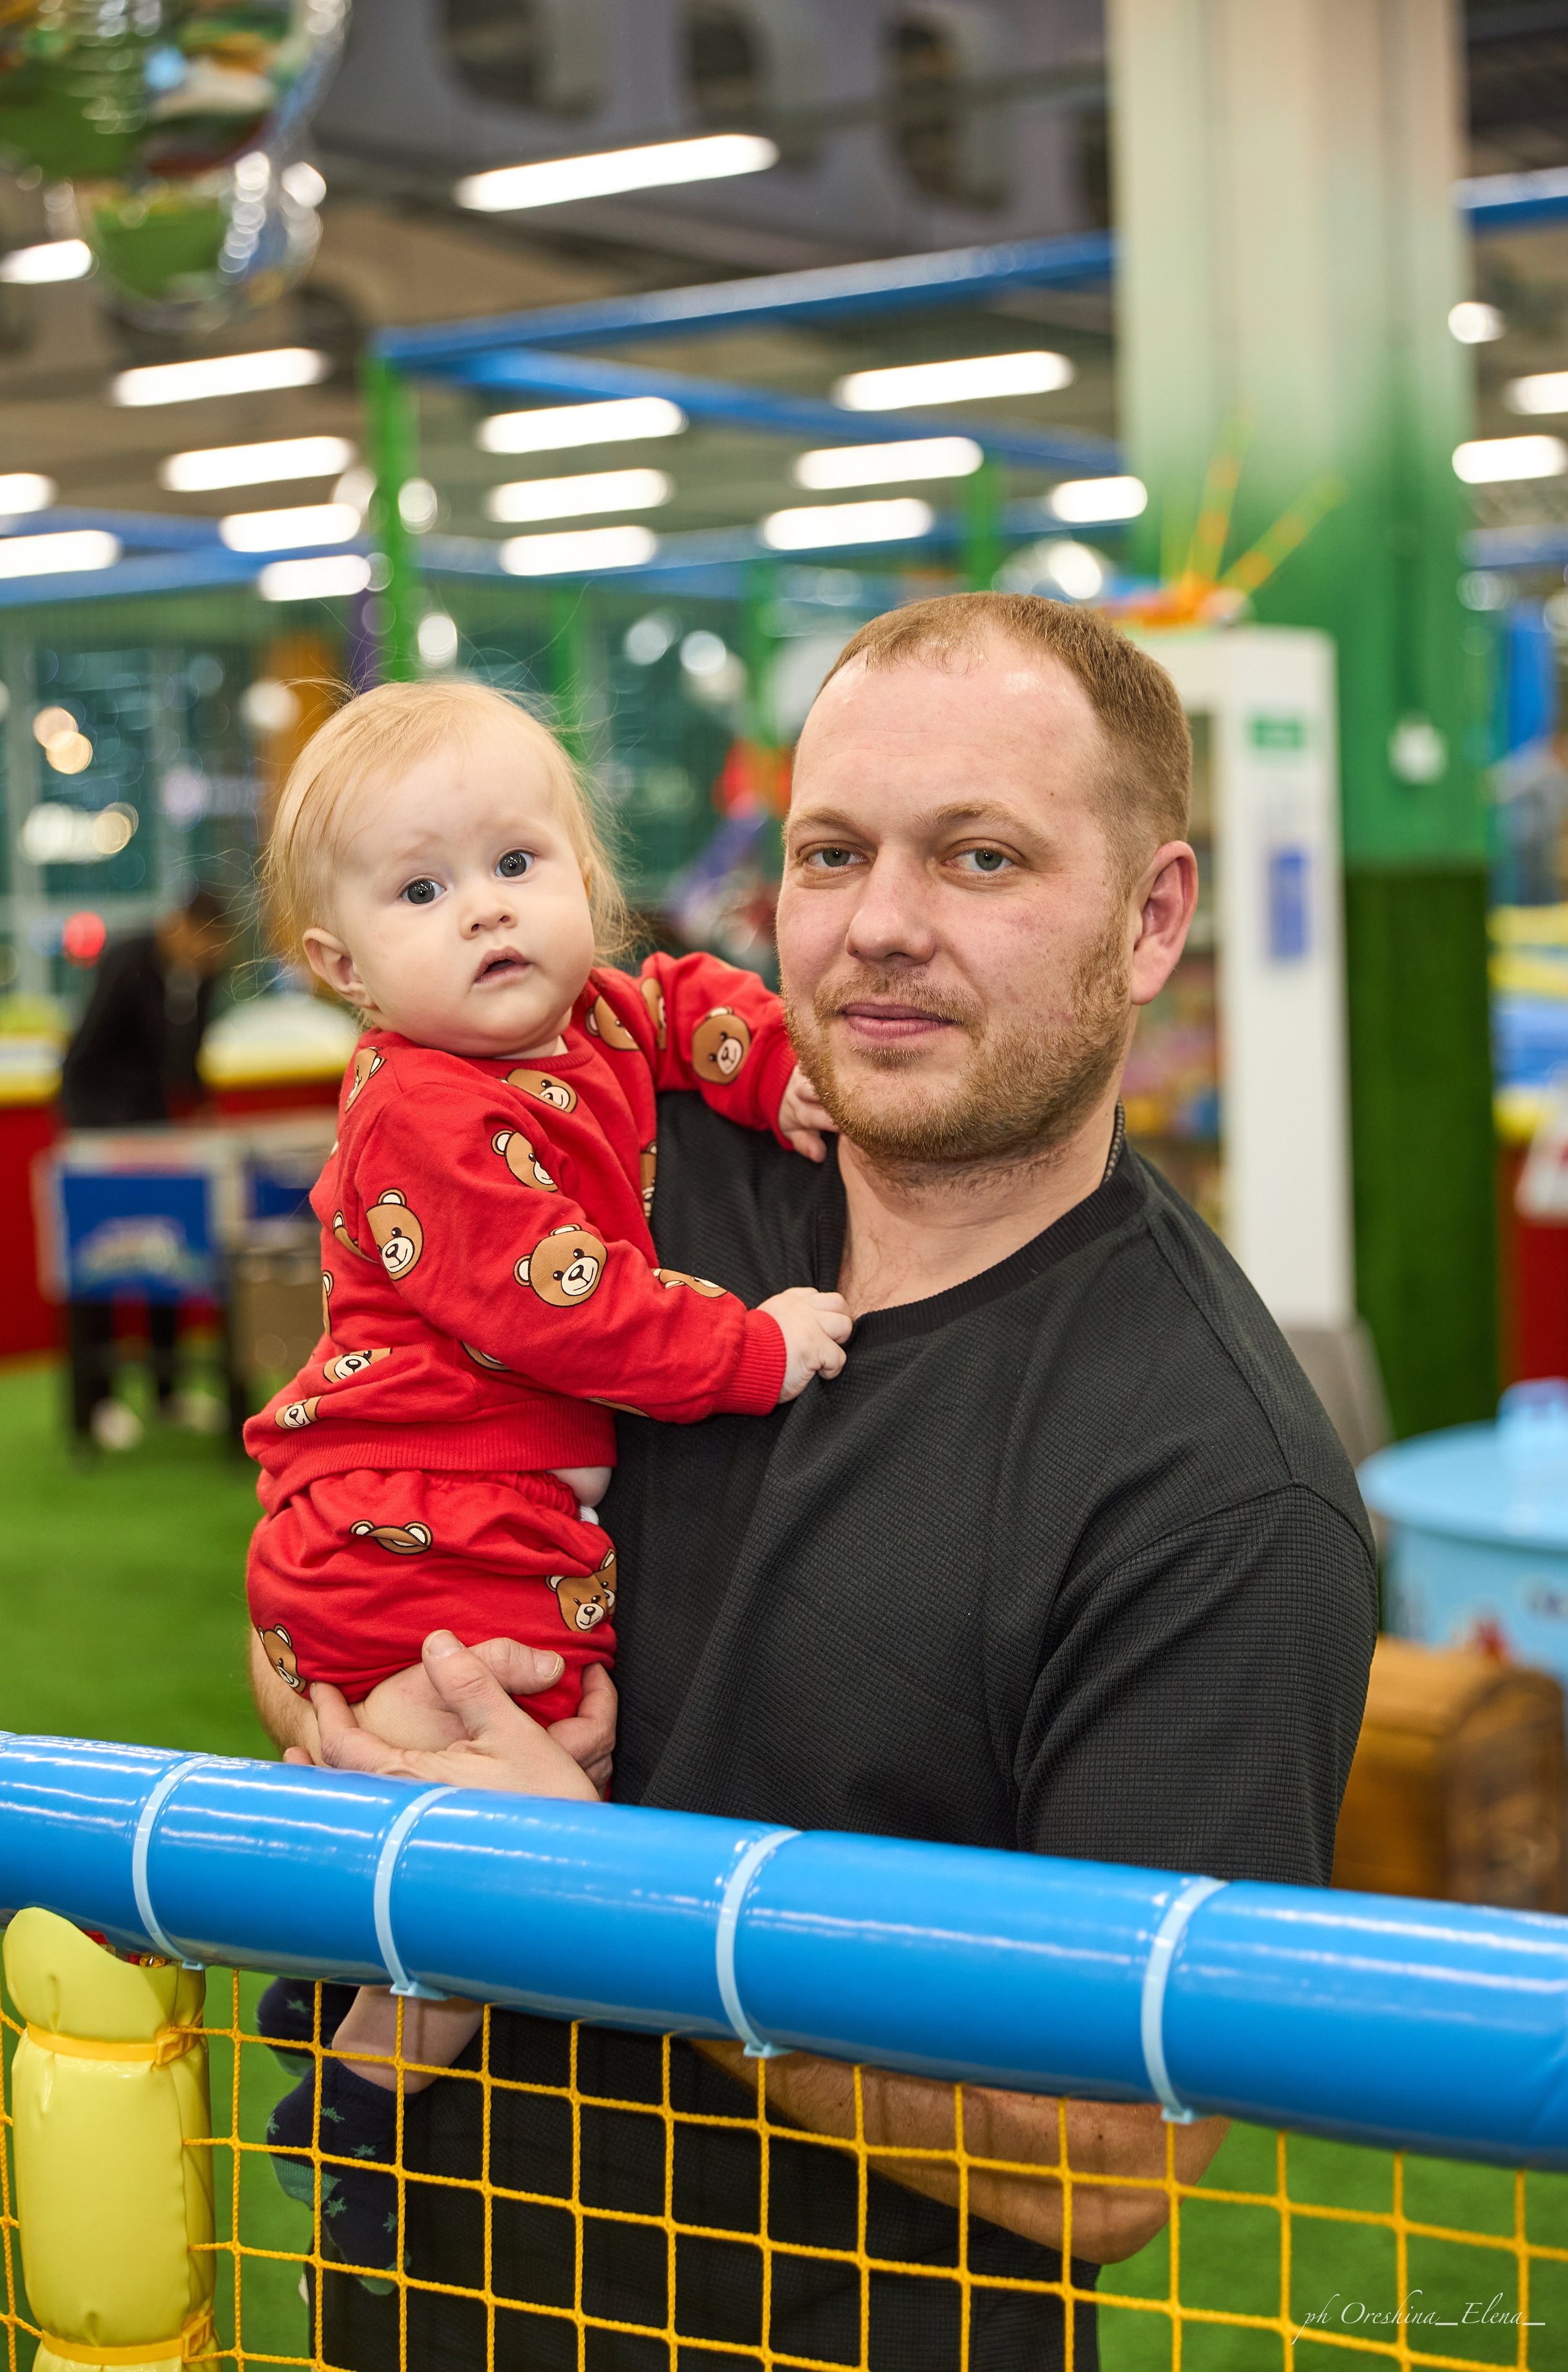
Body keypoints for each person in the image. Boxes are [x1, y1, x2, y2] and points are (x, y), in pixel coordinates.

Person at [250, 592, 1378, 2372]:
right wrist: (344, 1687)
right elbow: (342, 1519)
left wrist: (590, 1890)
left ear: (1152, 917)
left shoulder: (1215, 1486)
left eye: (981, 857)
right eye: (832, 853)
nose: (879, 926)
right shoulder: (618, 1160)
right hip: (417, 2298)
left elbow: (1109, 2155)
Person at [245, 678, 850, 2266]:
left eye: (518, 863)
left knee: (477, 1755)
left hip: (456, 1513)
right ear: (342, 968)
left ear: (584, 874)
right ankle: (361, 2090)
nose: (486, 912)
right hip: (415, 1522)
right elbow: (563, 1302)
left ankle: (324, 1976)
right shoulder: (423, 1114)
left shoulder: (592, 1022)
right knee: (528, 1813)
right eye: (420, 891)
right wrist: (751, 1344)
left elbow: (684, 1002)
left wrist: (768, 1060)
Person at [59, 885, 233, 1448]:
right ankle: (99, 1402)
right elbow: (84, 1058)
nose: (212, 957)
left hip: (158, 1132)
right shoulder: (127, 960)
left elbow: (188, 1060)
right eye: (207, 943)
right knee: (100, 1262)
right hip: (99, 1133)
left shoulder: (205, 975)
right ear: (181, 927)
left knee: (168, 1254)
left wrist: (201, 1113)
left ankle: (167, 1394)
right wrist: (101, 1142)